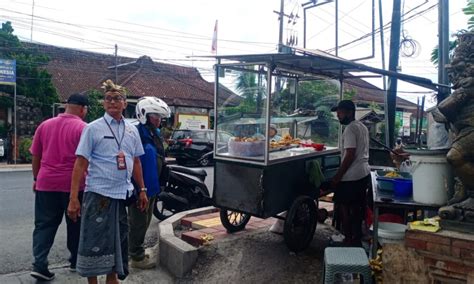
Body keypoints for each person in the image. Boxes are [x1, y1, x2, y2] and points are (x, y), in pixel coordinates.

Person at [67, 80, 148, 284]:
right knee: (93, 240)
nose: (112, 102)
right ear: (103, 104)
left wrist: (143, 190)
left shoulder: (131, 130)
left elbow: (136, 161)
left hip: (122, 194)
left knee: (118, 240)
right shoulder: (93, 129)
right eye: (108, 99)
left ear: (124, 103)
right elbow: (80, 163)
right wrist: (73, 198)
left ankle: (112, 279)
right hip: (98, 194)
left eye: (117, 98)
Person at [29, 93, 89, 281]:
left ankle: (40, 264)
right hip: (75, 186)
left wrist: (36, 179)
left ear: (66, 106)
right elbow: (86, 161)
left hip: (46, 183)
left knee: (44, 225)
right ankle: (75, 261)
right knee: (76, 224)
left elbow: (36, 155)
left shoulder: (45, 125)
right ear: (83, 109)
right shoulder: (84, 128)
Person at [128, 96, 170, 269]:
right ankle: (136, 257)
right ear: (144, 114)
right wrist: (141, 189)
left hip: (152, 186)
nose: (158, 120)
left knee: (145, 221)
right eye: (155, 116)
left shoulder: (155, 133)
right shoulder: (136, 133)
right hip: (141, 188)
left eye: (160, 117)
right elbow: (135, 162)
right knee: (137, 222)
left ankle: (135, 250)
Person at [330, 100, 370, 246]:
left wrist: (337, 177)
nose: (338, 115)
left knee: (344, 207)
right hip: (363, 173)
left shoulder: (350, 129)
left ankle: (348, 238)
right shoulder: (362, 127)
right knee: (357, 208)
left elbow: (350, 154)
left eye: (340, 112)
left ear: (349, 112)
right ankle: (356, 237)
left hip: (352, 175)